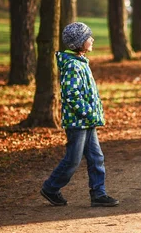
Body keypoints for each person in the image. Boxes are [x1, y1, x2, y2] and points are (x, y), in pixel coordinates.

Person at [40, 22, 119, 207]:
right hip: (78, 122)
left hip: (86, 121)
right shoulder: (72, 66)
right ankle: (51, 187)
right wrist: (89, 113)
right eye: (88, 37)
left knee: (96, 157)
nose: (91, 40)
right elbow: (71, 94)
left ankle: (99, 194)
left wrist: (91, 115)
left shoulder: (80, 62)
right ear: (79, 43)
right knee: (73, 160)